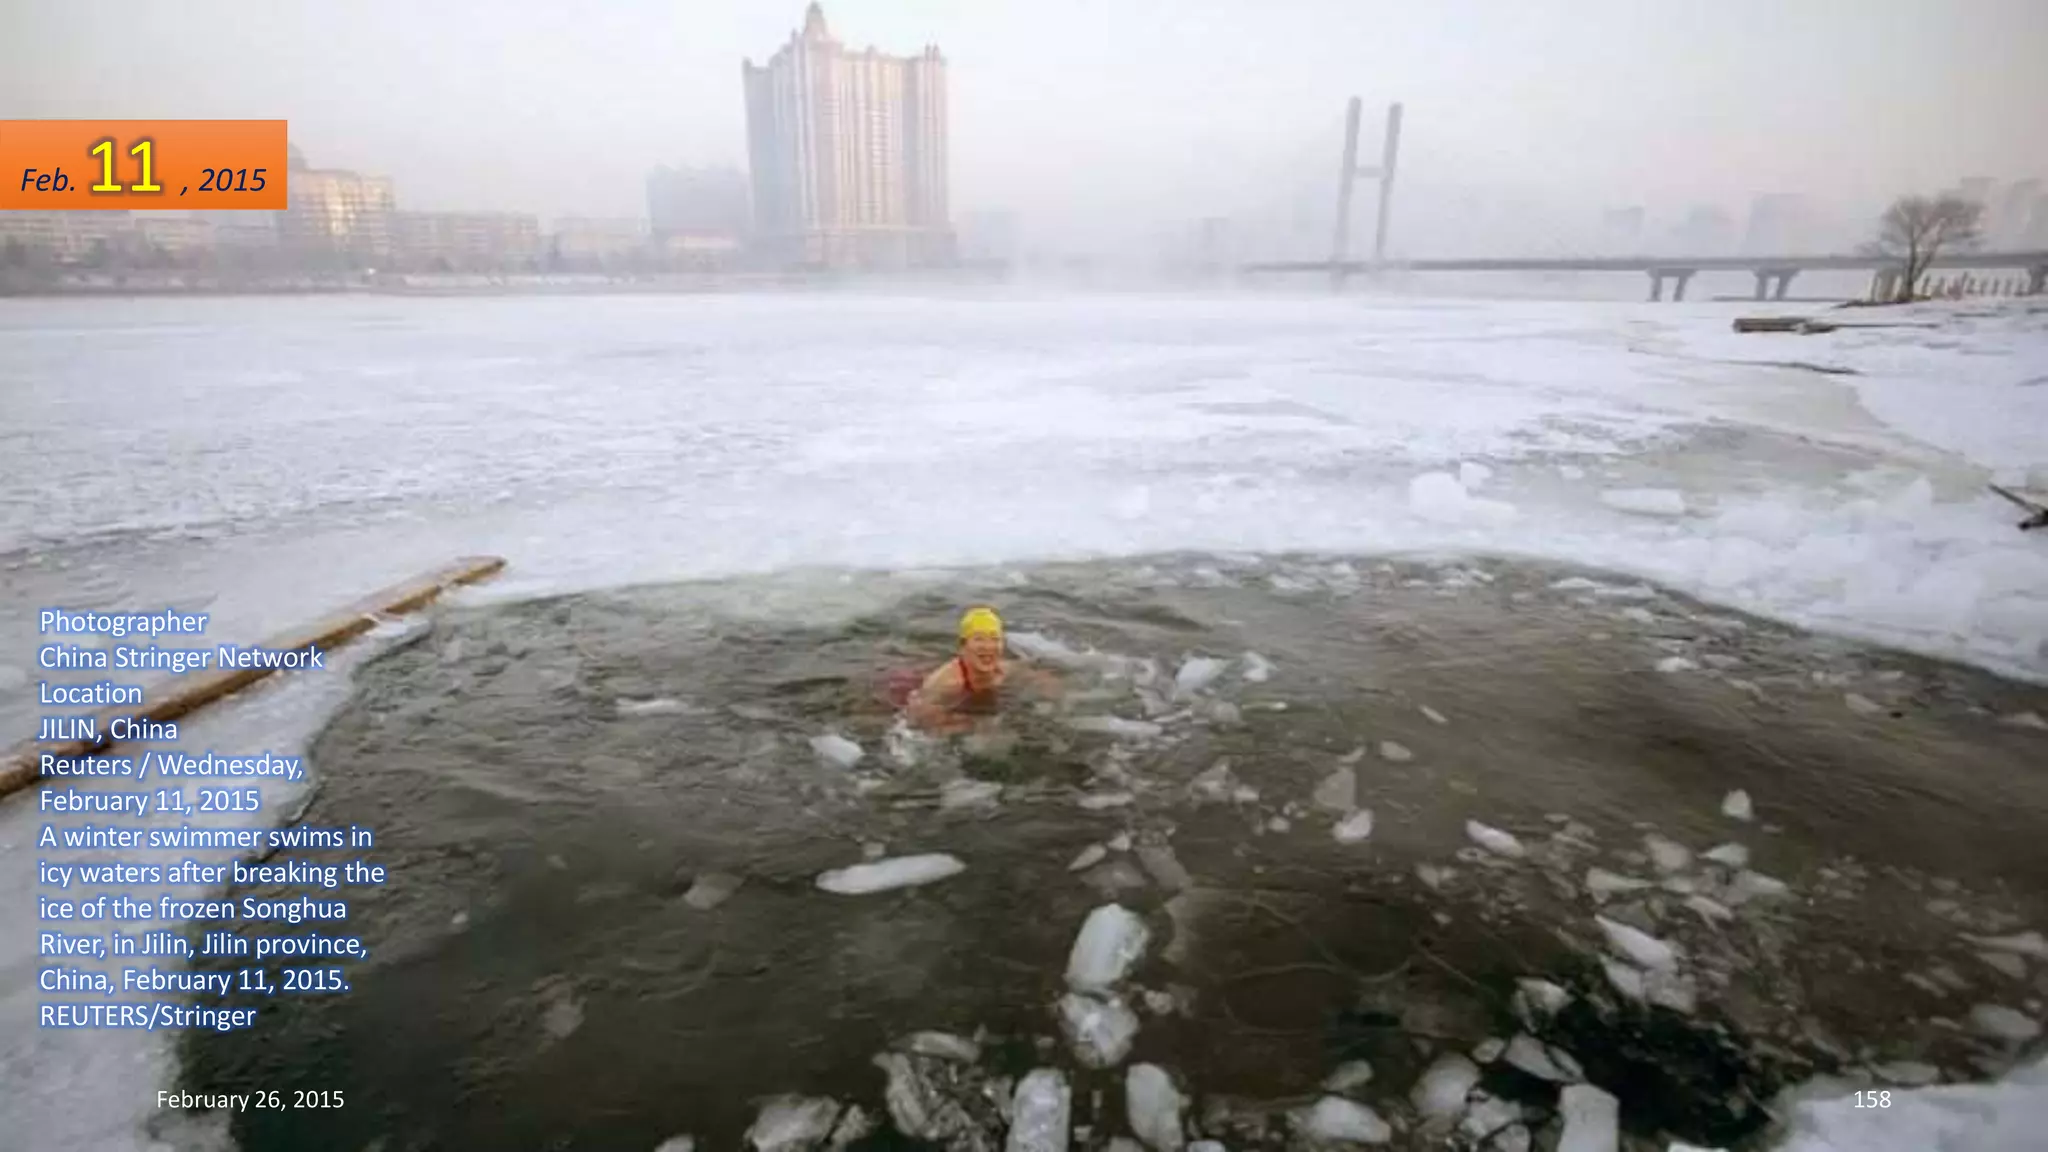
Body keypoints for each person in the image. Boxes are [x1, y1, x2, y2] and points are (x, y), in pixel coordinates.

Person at [904, 606, 1054, 733]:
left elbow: (1039, 677)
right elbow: (917, 724)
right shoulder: (946, 684)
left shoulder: (1003, 669)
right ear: (963, 646)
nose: (988, 646)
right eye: (979, 638)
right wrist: (971, 724)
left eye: (995, 639)